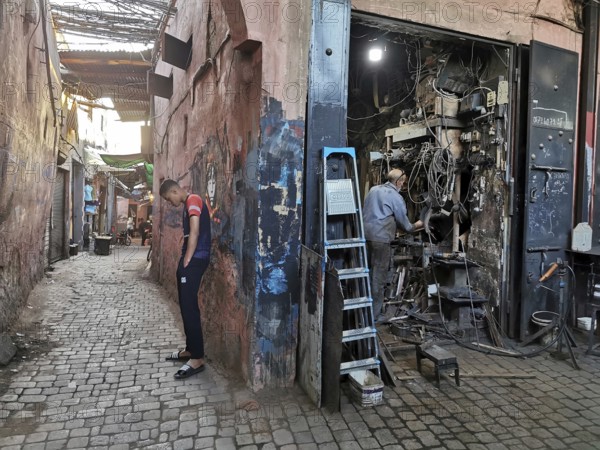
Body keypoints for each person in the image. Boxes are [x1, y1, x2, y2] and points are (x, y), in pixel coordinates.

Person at [160, 179, 211, 379]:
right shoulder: (188, 204)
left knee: (190, 307)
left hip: (196, 260)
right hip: (192, 260)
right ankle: (190, 350)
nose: (169, 202)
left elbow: (195, 231)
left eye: (168, 198)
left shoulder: (193, 200)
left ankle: (197, 358)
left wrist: (187, 260)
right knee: (185, 305)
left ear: (174, 191)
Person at [363, 168, 423, 323]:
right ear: (398, 182)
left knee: (368, 274)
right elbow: (406, 227)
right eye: (403, 182)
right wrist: (420, 224)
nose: (403, 185)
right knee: (378, 278)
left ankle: (363, 312)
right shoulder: (395, 197)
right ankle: (373, 317)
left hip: (365, 236)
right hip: (381, 240)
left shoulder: (373, 189)